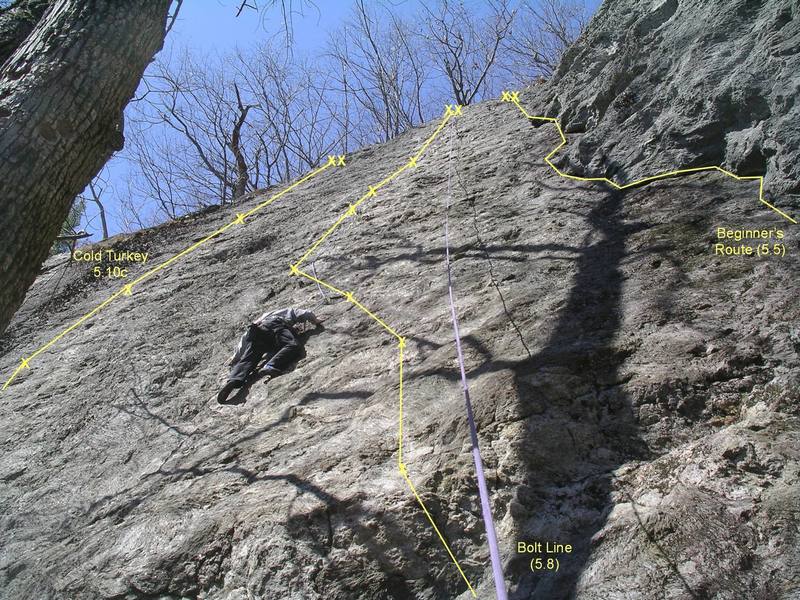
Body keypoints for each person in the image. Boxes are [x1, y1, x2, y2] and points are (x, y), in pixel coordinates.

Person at [217, 307, 323, 403]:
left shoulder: (262, 318)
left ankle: (234, 379)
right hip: (275, 326)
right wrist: (316, 321)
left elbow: (245, 337)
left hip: (257, 332)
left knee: (249, 358)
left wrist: (235, 356)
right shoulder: (285, 312)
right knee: (292, 345)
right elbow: (305, 313)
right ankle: (271, 365)